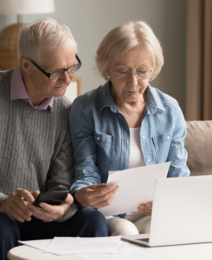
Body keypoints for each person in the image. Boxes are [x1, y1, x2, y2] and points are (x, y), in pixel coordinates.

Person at [0, 18, 109, 260]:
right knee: (1, 226)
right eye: (56, 72)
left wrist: (61, 207)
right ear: (25, 65)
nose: (67, 80)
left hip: (30, 218)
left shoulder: (66, 110)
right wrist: (1, 202)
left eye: (71, 67)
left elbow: (59, 184)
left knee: (92, 221)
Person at [69, 21, 190, 236]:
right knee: (126, 232)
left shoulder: (170, 111)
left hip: (153, 212)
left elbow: (179, 175)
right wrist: (85, 193)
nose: (134, 83)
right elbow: (85, 170)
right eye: (123, 72)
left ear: (153, 69)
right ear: (107, 70)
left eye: (142, 72)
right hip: (110, 214)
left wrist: (168, 202)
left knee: (161, 230)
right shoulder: (86, 108)